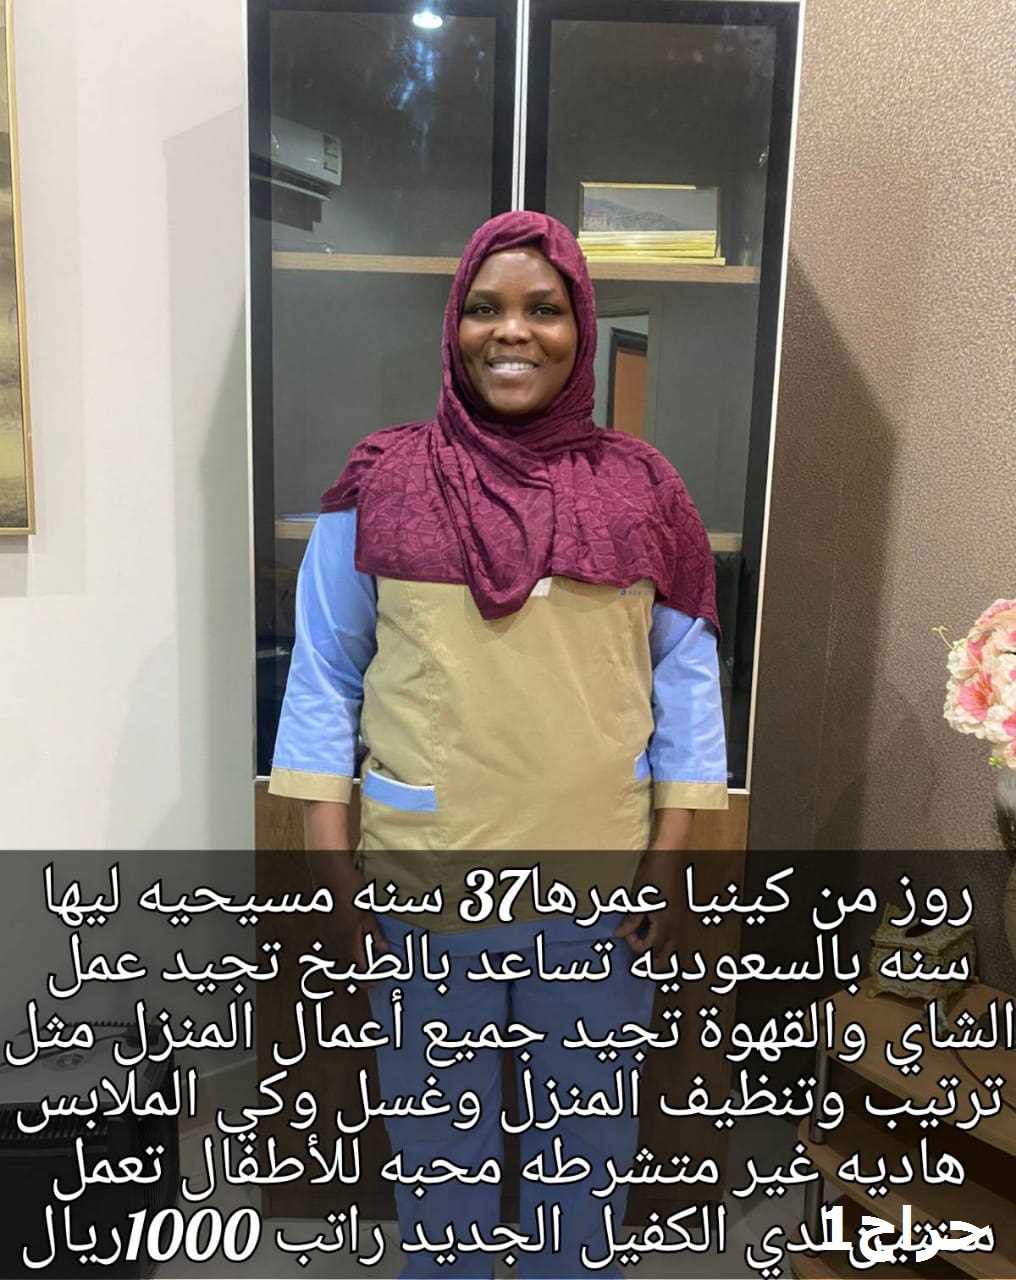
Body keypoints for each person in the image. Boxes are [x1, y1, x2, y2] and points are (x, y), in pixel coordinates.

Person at [268, 211, 728, 1278]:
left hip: (597, 892)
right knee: (440, 1158)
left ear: (581, 325)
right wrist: (329, 855)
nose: (511, 331)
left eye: (542, 308)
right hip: (425, 884)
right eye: (484, 307)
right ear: (453, 326)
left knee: (586, 1153)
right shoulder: (382, 483)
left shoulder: (643, 491)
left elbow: (686, 683)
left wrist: (668, 857)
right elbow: (326, 673)